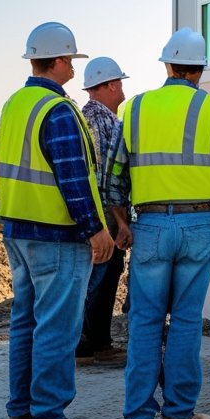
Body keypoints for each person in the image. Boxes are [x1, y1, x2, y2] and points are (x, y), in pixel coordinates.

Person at [107, 27, 210, 419]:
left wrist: (121, 223)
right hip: (196, 225)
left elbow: (112, 178)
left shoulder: (134, 109)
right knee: (186, 321)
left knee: (145, 321)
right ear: (200, 70)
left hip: (148, 225)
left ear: (167, 66)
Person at [0, 22, 115, 419]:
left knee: (25, 323)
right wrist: (96, 230)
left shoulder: (15, 104)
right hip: (56, 235)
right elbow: (73, 178)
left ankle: (21, 413)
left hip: (17, 229)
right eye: (71, 60)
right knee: (57, 328)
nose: (72, 69)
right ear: (61, 60)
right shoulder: (58, 110)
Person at [76, 56, 130, 367]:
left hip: (106, 212)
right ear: (108, 85)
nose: (122, 90)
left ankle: (99, 341)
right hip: (103, 214)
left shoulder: (101, 117)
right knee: (97, 276)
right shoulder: (97, 120)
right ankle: (87, 343)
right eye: (119, 83)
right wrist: (109, 221)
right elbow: (101, 175)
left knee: (107, 275)